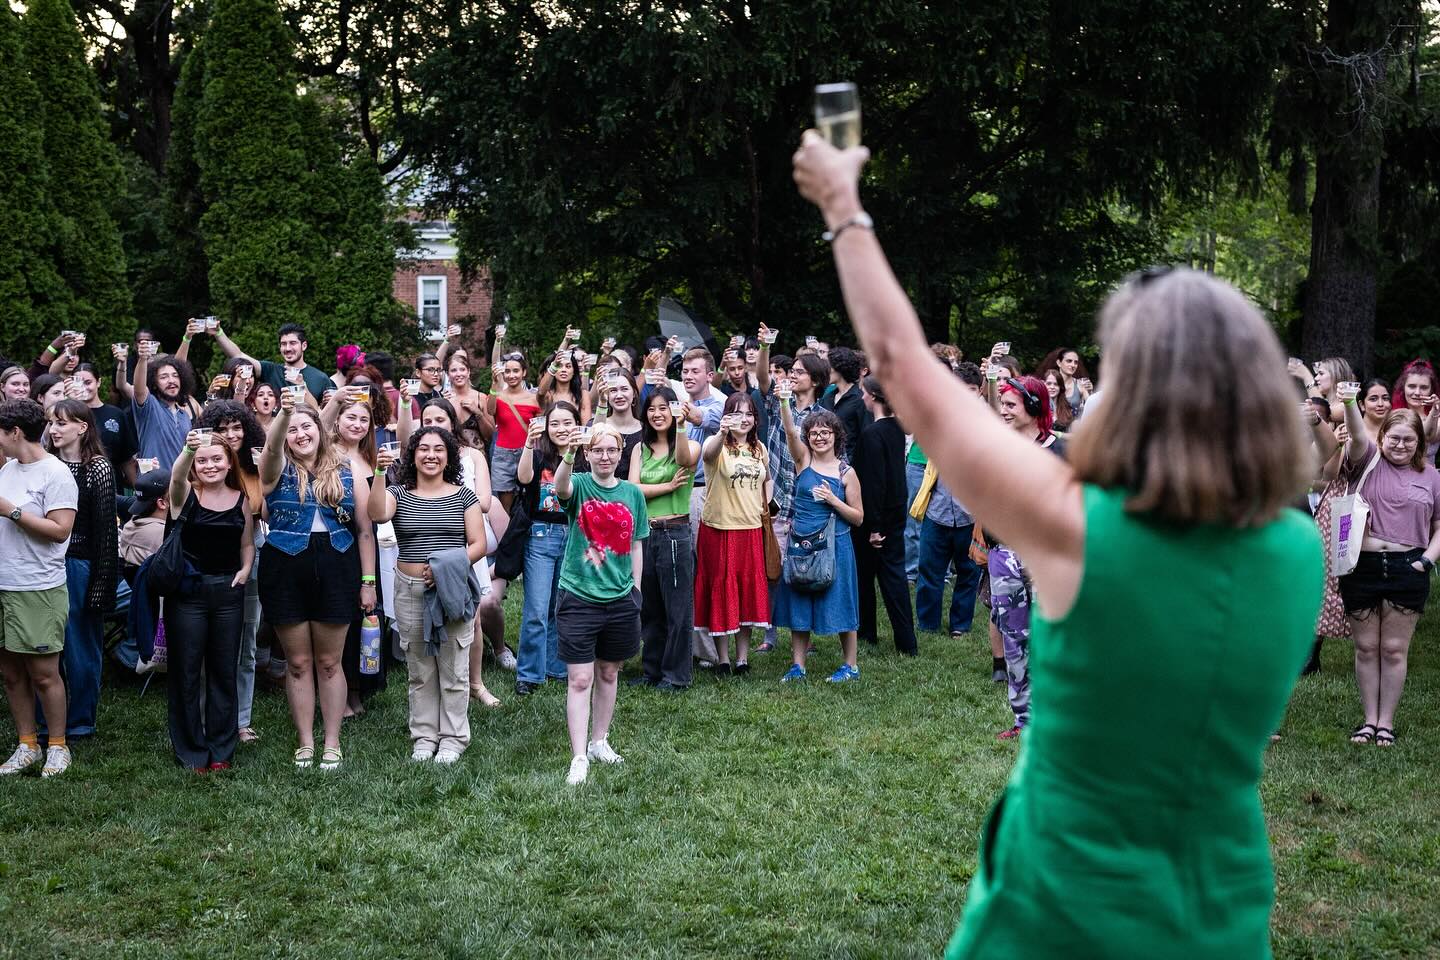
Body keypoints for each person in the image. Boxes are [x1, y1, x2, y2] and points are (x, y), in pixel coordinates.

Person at [794, 132, 1323, 958]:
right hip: (1219, 910)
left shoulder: (1079, 530)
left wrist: (842, 208)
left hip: (1062, 911)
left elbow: (902, 365)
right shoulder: (1298, 550)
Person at [257, 390, 377, 771]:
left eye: (306, 426)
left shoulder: (347, 468)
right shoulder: (273, 466)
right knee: (297, 662)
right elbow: (273, 449)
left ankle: (332, 741)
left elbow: (364, 530)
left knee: (329, 661)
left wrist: (368, 581)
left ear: (320, 430)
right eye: (292, 429)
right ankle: (305, 743)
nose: (300, 434)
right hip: (284, 567)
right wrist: (285, 413)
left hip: (337, 564)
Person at [369, 426, 487, 763]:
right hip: (409, 590)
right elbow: (377, 514)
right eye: (423, 449)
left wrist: (443, 566)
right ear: (412, 455)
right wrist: (379, 471)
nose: (431, 455)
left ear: (449, 456)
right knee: (420, 668)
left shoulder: (464, 495)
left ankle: (453, 738)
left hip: (451, 588)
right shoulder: (399, 493)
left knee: (453, 668)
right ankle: (424, 736)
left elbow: (479, 544)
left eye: (438, 449)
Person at [1334, 399, 1440, 747]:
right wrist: (1350, 402)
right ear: (1382, 439)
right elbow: (1354, 432)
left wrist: (1425, 560)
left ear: (1420, 443)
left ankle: (1386, 723)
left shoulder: (1432, 476)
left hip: (1407, 567)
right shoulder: (1366, 459)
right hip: (1361, 566)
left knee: (1394, 649)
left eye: (1409, 440)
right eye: (1394, 438)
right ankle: (1368, 721)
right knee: (1366, 648)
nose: (1400, 445)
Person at [552, 423, 649, 785]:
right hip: (579, 594)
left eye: (611, 450)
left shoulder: (632, 494)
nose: (605, 456)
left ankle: (599, 741)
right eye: (597, 450)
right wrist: (568, 454)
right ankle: (578, 756)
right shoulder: (579, 484)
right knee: (580, 678)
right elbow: (560, 487)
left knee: (609, 672)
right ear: (587, 454)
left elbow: (637, 544)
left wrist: (636, 591)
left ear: (620, 454)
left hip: (621, 598)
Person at [399, 393, 506, 697]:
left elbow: (485, 501)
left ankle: (476, 683)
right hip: (427, 541)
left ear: (453, 421)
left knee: (470, 617)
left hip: (466, 541)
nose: (434, 425)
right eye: (428, 421)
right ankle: (435, 681)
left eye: (440, 420)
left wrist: (453, 501)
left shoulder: (471, 456)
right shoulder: (421, 457)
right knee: (428, 615)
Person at [165, 430, 254, 771]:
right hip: (188, 594)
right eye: (202, 460)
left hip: (228, 593)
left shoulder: (240, 499)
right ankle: (191, 749)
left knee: (223, 672)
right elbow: (176, 474)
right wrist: (188, 448)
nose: (210, 465)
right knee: (186, 673)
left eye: (217, 458)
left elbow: (246, 542)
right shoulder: (184, 493)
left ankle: (221, 748)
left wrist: (246, 569)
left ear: (229, 462)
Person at [0, 399, 78, 777]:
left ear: (15, 433)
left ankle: (59, 746)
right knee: (11, 672)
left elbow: (60, 530)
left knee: (44, 673)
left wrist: (12, 511)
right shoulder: (7, 469)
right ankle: (27, 744)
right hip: (3, 583)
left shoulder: (56, 473)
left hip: (38, 587)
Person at [986, 376, 1066, 739]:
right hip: (1004, 554)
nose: (1003, 411)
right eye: (1002, 404)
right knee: (1014, 637)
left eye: (1010, 405)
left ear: (1033, 408)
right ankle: (1024, 719)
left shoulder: (1060, 451)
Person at [42, 401, 118, 739]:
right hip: (44, 563)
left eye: (62, 423)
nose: (54, 429)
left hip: (80, 565)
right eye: (51, 423)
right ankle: (45, 720)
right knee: (45, 647)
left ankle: (81, 721)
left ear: (82, 427)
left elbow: (105, 534)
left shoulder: (97, 468)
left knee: (81, 646)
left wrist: (102, 584)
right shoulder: (46, 465)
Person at [772, 405, 863, 682]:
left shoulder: (847, 473)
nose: (819, 437)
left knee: (841, 603)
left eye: (825, 432)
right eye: (813, 433)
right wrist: (785, 401)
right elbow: (789, 431)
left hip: (837, 546)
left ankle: (850, 666)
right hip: (802, 544)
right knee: (799, 601)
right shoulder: (803, 461)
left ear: (837, 436)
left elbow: (858, 517)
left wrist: (834, 500)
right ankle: (798, 666)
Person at [693, 392, 771, 675]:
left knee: (747, 590)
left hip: (750, 529)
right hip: (719, 529)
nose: (744, 419)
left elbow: (767, 480)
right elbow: (708, 454)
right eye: (737, 413)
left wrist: (765, 507)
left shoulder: (759, 448)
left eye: (748, 413)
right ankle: (722, 659)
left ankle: (742, 659)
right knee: (721, 589)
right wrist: (722, 430)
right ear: (726, 416)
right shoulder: (716, 446)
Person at [628, 386, 700, 689]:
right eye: (652, 409)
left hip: (674, 533)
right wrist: (667, 487)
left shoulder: (689, 444)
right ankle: (652, 671)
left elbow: (684, 460)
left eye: (663, 408)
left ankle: (676, 675)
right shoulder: (639, 449)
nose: (657, 414)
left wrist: (682, 424)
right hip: (645, 534)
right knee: (650, 606)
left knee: (678, 609)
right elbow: (632, 489)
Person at [513, 401, 582, 695]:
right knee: (537, 610)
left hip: (573, 536)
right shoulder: (539, 454)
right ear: (546, 427)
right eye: (555, 423)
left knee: (561, 606)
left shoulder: (582, 457)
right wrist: (529, 444)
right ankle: (529, 673)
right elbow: (524, 478)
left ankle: (555, 666)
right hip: (541, 536)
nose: (561, 429)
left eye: (568, 423)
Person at [853, 377, 916, 655]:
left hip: (876, 518)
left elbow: (875, 482)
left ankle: (891, 638)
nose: (862, 397)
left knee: (881, 578)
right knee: (882, 576)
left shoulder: (873, 434)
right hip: (895, 511)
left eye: (864, 393)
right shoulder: (896, 429)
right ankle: (876, 633)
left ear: (874, 397)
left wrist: (874, 526)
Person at [213, 321, 333, 404]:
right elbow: (238, 355)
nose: (287, 348)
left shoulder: (320, 378)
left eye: (293, 343)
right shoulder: (270, 370)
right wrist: (218, 333)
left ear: (304, 345)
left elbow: (328, 412)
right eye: (283, 344)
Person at [487, 346, 540, 512]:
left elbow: (540, 426)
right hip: (503, 455)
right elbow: (490, 411)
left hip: (527, 453)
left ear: (523, 372)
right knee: (506, 506)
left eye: (516, 371)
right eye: (507, 371)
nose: (511, 375)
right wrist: (495, 384)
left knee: (529, 501)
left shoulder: (533, 398)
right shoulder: (498, 395)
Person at [132, 345, 201, 471]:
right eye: (163, 377)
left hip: (179, 486)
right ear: (154, 384)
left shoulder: (184, 416)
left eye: (175, 375)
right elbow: (139, 389)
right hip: (153, 485)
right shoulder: (149, 407)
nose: (171, 380)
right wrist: (142, 359)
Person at [820, 346, 871, 461]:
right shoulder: (827, 397)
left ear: (840, 367)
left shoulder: (860, 399)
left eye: (828, 366)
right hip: (825, 462)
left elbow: (866, 439)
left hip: (850, 466)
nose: (825, 370)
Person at [1389, 358, 1440, 459]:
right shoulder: (1391, 415)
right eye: (1412, 386)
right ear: (1403, 388)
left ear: (1431, 390)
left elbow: (1427, 437)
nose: (1417, 392)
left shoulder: (1437, 419)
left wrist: (1435, 410)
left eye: (1424, 387)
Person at [1035, 346, 1093, 414]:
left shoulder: (1080, 385)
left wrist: (1090, 392)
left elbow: (1091, 407)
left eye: (1076, 362)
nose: (1073, 365)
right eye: (1069, 361)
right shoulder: (1048, 383)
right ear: (1059, 363)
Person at [1040, 368, 1077, 432]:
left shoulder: (1069, 408)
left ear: (1060, 387)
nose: (1052, 387)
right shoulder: (1038, 407)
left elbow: (1074, 436)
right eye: (1049, 384)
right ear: (1043, 385)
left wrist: (1056, 434)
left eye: (1056, 384)